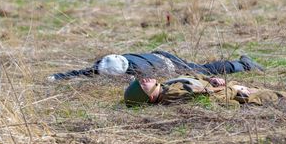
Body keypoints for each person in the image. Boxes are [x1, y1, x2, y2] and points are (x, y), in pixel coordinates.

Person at [48, 50, 265, 81]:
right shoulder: (110, 61)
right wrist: (58, 77)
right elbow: (86, 72)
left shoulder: (138, 73)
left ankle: (243, 64)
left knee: (203, 70)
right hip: (158, 53)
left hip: (170, 64)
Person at [123, 73, 286, 107]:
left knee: (253, 89)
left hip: (217, 87)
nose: (143, 80)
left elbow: (189, 76)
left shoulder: (166, 85)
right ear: (149, 96)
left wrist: (210, 79)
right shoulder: (171, 95)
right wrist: (232, 89)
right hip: (225, 95)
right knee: (256, 96)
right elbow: (205, 98)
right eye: (141, 85)